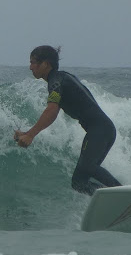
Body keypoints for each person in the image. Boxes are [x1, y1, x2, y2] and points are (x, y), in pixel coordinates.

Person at [15, 45, 122, 196]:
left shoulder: (56, 81)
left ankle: (122, 193)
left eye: (33, 62)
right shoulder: (61, 79)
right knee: (79, 182)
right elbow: (53, 112)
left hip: (100, 130)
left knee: (89, 167)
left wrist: (31, 135)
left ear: (45, 64)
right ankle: (111, 198)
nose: (30, 67)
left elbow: (51, 110)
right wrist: (27, 133)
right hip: (102, 130)